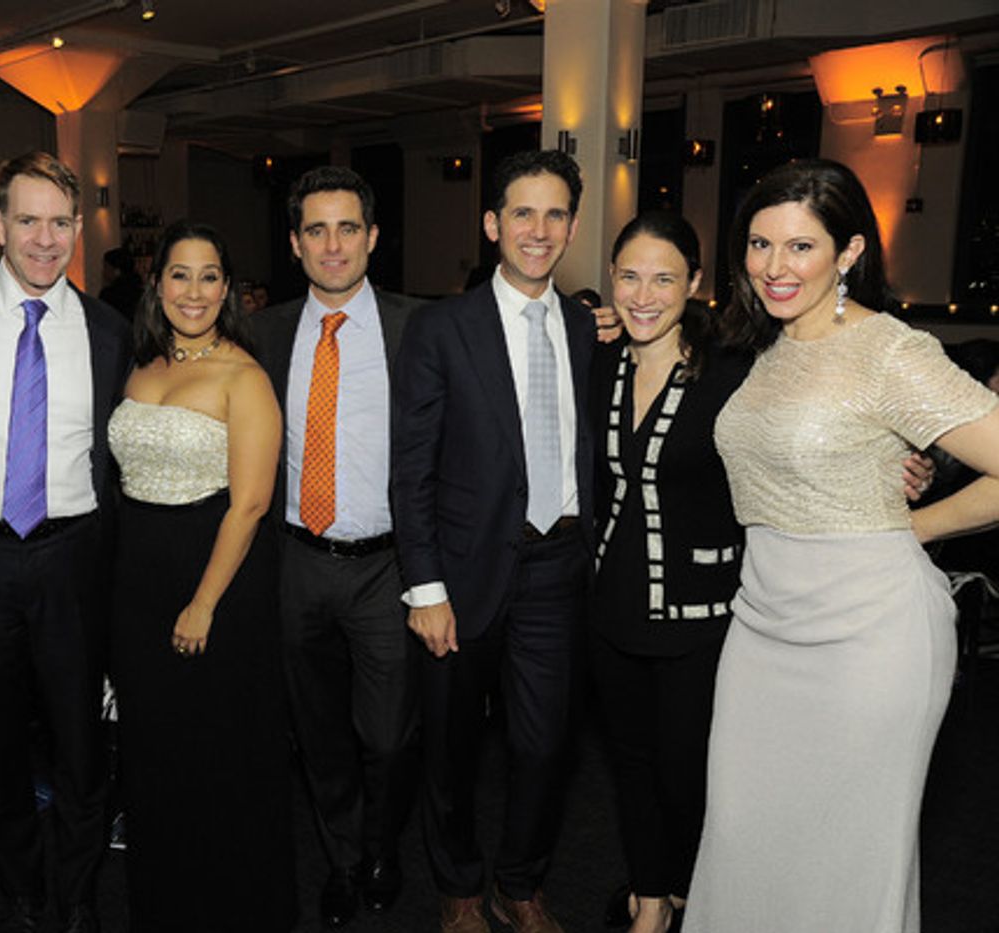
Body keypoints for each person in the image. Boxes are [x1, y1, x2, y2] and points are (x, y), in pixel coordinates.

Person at [685, 158, 999, 933]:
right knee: (742, 834)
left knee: (846, 855)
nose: (774, 266)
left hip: (871, 636)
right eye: (760, 245)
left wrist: (912, 526)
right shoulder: (767, 343)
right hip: (761, 627)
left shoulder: (891, 351)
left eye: (800, 246)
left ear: (849, 251)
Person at [392, 148, 597, 933]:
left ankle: (521, 881)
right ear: (492, 224)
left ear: (572, 226)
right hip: (460, 570)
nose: (538, 230)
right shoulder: (441, 327)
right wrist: (425, 588)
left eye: (554, 215)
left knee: (545, 746)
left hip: (558, 565)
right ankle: (459, 886)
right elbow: (411, 468)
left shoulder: (589, 328)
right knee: (449, 748)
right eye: (522, 213)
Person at [0, 152, 131, 933]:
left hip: (75, 558)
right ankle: (19, 885)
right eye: (27, 220)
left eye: (59, 222)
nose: (45, 239)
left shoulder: (113, 331)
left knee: (83, 742)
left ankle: (78, 891)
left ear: (79, 229)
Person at [108, 221, 295, 932]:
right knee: (154, 755)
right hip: (138, 579)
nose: (194, 290)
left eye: (209, 275)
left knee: (220, 756)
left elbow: (249, 503)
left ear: (229, 287)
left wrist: (204, 602)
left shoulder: (243, 375)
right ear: (157, 284)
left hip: (216, 580)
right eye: (179, 274)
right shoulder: (141, 363)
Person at [253, 166, 420, 928]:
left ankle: (384, 843)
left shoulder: (419, 326)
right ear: (294, 243)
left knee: (387, 735)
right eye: (315, 229)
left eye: (347, 227)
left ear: (373, 237)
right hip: (293, 563)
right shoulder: (262, 333)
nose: (333, 244)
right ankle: (346, 859)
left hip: (388, 566)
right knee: (317, 734)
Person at [588, 213, 750, 933]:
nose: (643, 294)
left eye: (663, 277)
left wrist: (907, 464)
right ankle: (650, 897)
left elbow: (803, 448)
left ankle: (689, 887)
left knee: (687, 774)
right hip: (610, 606)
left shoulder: (735, 373)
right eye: (629, 276)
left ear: (694, 282)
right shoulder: (601, 361)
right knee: (630, 765)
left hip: (699, 613)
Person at [98, 246, 143, 321]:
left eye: (106, 267)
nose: (103, 272)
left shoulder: (108, 295)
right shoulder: (140, 291)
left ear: (117, 271)